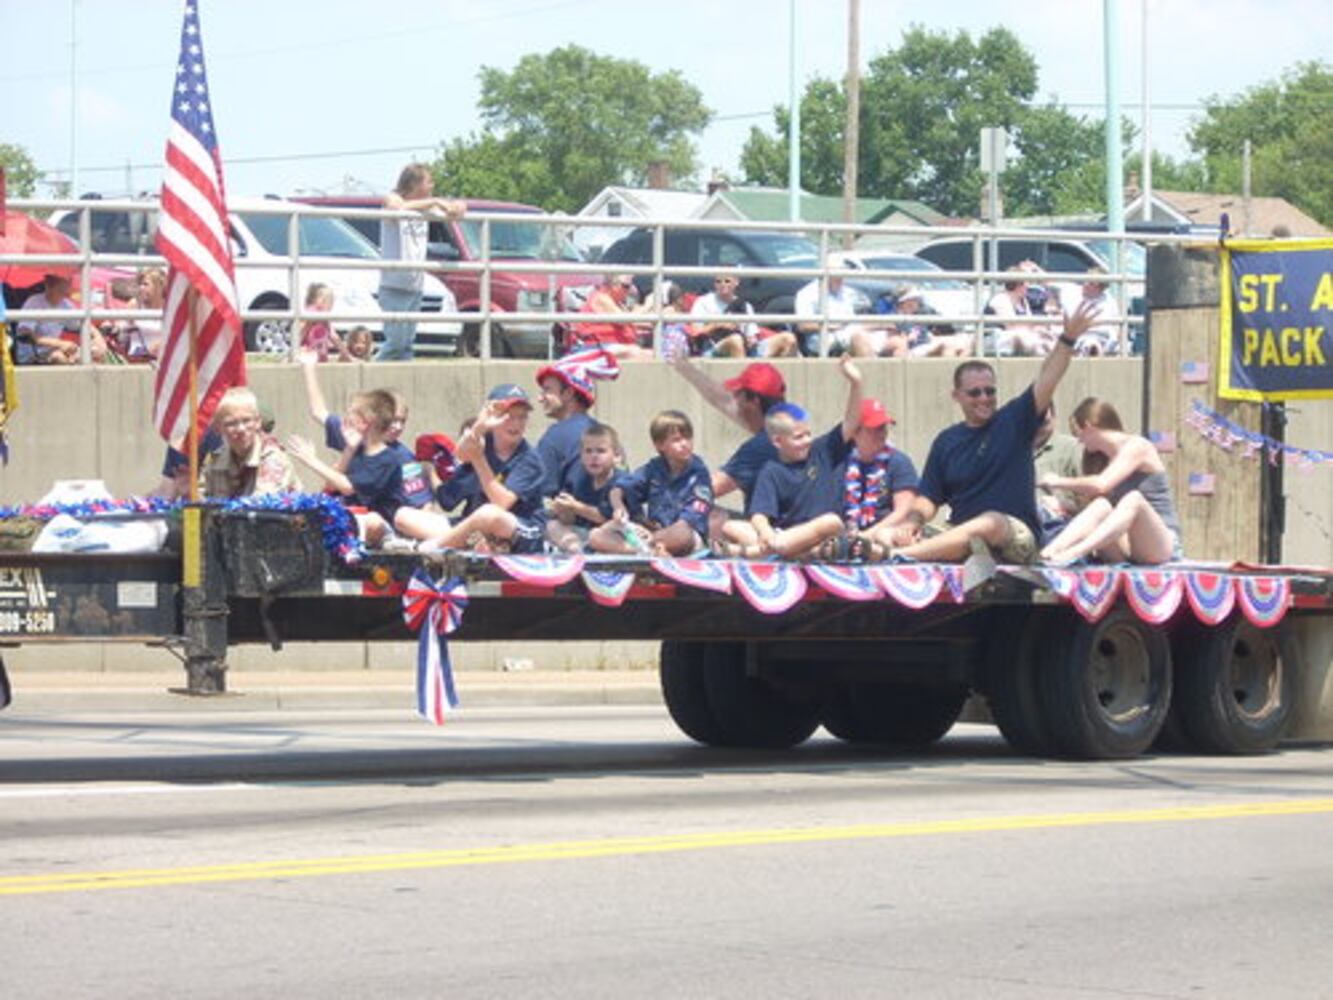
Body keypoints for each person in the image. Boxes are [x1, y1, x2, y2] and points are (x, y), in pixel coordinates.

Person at [889, 300, 1099, 565]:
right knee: (889, 534)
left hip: (1014, 536)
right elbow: (929, 498)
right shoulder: (947, 441)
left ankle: (901, 556)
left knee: (990, 522)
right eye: (975, 392)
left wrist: (1068, 338)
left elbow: (1048, 378)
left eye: (990, 391)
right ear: (957, 396)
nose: (984, 398)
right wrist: (912, 522)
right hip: (962, 534)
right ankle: (881, 550)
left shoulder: (1014, 420)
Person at [717, 356, 865, 560]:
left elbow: (852, 421)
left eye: (808, 434)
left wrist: (856, 383)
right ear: (778, 441)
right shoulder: (771, 470)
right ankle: (797, 553)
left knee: (831, 521)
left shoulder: (822, 451)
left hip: (818, 534)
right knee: (731, 527)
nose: (806, 441)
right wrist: (766, 532)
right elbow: (760, 514)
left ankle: (762, 551)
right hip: (785, 535)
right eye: (798, 437)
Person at [1038, 397, 1182, 566]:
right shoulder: (1105, 460)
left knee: (1133, 499)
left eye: (1078, 434)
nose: (1080, 442)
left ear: (1089, 426)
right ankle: (1049, 553)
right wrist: (1065, 507)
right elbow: (1106, 509)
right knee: (1101, 505)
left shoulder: (1137, 447)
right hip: (1127, 544)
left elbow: (1101, 484)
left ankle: (1074, 552)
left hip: (1161, 545)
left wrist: (1057, 481)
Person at [430, 384, 549, 553]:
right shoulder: (484, 440)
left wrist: (479, 459)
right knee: (404, 517)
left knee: (488, 513)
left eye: (522, 417)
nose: (516, 423)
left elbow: (501, 504)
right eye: (508, 416)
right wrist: (480, 426)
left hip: (520, 529)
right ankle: (470, 540)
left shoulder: (530, 458)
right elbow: (461, 454)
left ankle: (434, 548)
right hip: (477, 525)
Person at [668, 356, 788, 514]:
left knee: (699, 513)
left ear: (754, 402)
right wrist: (683, 366)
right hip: (791, 523)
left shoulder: (761, 446)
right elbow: (723, 401)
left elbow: (707, 490)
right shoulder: (788, 428)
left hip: (771, 529)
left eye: (739, 395)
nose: (735, 400)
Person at [591, 410, 712, 557]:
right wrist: (619, 507)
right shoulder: (654, 468)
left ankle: (646, 548)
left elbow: (690, 519)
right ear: (660, 445)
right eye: (677, 440)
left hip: (684, 536)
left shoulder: (699, 472)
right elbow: (619, 488)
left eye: (687, 438)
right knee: (596, 536)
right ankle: (643, 551)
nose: (684, 444)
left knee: (682, 533)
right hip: (653, 533)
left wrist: (654, 536)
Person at [377, 163, 464, 361]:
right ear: (415, 183)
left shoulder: (427, 209)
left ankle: (401, 382)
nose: (432, 185)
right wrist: (433, 202)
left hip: (415, 284)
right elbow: (394, 208)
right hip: (394, 283)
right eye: (428, 181)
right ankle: (372, 379)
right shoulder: (393, 198)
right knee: (395, 343)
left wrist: (456, 207)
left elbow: (456, 214)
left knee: (406, 344)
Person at [534, 347, 619, 497]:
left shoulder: (554, 436)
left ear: (568, 393)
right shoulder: (606, 435)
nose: (540, 398)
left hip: (568, 518)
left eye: (547, 390)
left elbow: (540, 491)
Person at [845, 399, 921, 556]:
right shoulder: (840, 463)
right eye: (875, 429)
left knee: (885, 536)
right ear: (855, 432)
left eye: (884, 427)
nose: (883, 433)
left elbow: (903, 511)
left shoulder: (899, 462)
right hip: (848, 534)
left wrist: (866, 536)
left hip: (885, 534)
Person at [545, 422, 634, 554]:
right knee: (552, 526)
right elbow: (569, 520)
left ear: (616, 456)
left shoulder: (622, 482)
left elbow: (606, 518)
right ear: (581, 456)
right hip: (584, 536)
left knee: (599, 533)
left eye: (601, 451)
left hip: (615, 535)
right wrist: (563, 510)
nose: (594, 456)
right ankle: (579, 552)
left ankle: (592, 550)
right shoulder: (577, 478)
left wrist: (576, 507)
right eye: (588, 451)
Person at [201, 388, 300, 499]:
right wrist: (185, 492)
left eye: (247, 420)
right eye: (231, 423)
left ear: (258, 422)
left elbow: (261, 507)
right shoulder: (216, 460)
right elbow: (202, 501)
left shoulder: (273, 459)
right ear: (218, 428)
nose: (241, 429)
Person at [794, 260, 903, 357]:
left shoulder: (845, 292)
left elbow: (855, 319)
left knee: (896, 339)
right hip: (828, 339)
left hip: (850, 330)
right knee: (860, 338)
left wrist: (881, 324)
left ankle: (901, 378)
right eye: (838, 275)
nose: (841, 279)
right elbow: (803, 325)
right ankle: (873, 378)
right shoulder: (807, 294)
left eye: (842, 275)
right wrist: (829, 325)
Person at [689, 271, 798, 359]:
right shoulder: (703, 302)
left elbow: (753, 335)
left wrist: (750, 340)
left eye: (727, 281)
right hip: (715, 349)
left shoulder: (745, 305)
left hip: (747, 349)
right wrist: (718, 325)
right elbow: (694, 332)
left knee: (788, 338)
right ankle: (746, 381)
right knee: (736, 340)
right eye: (718, 281)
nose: (723, 284)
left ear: (736, 282)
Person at [568, 273, 654, 360]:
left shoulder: (619, 304)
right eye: (626, 286)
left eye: (632, 286)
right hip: (593, 346)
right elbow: (624, 320)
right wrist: (648, 305)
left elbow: (634, 322)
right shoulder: (601, 298)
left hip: (614, 346)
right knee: (635, 352)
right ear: (612, 285)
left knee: (653, 353)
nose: (630, 290)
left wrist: (657, 322)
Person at [1032, 400, 1083, 545]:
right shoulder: (1012, 451)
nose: (1037, 424)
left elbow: (1092, 503)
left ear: (1053, 417)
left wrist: (1063, 504)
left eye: (1043, 418)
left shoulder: (1072, 448)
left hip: (1057, 524)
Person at [14, 275, 81, 365]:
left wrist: (98, 338)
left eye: (65, 289)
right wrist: (59, 343)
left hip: (54, 349)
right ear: (48, 286)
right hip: (32, 353)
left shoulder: (66, 304)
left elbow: (82, 324)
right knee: (59, 357)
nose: (65, 293)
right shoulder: (34, 302)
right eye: (61, 290)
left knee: (86, 354)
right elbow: (25, 332)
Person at [985, 265, 1049, 357]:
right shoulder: (1001, 299)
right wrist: (1033, 329)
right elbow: (1011, 327)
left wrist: (1039, 330)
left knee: (1046, 337)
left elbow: (1029, 323)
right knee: (1026, 339)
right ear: (1017, 284)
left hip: (1021, 335)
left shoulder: (1023, 301)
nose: (1028, 286)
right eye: (1025, 283)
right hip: (997, 337)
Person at [1065, 267, 1123, 357]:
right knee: (1088, 344)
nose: (1085, 284)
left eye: (1091, 283)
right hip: (1082, 336)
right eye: (1086, 280)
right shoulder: (1073, 292)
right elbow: (1050, 282)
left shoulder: (1109, 300)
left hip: (1105, 338)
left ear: (1100, 288)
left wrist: (1117, 339)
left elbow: (1117, 327)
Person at [295, 282, 345, 362]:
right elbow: (300, 334)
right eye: (329, 301)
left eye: (331, 301)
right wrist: (296, 349)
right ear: (318, 301)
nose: (331, 305)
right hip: (308, 353)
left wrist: (345, 353)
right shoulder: (310, 314)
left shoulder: (324, 318)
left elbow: (334, 337)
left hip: (321, 355)